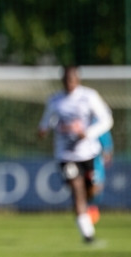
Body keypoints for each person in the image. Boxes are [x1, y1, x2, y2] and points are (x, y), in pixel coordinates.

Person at [38, 66, 113, 243]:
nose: (69, 83)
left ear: (77, 80)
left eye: (72, 79)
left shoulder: (89, 96)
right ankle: (88, 235)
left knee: (92, 190)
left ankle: (84, 213)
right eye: (66, 80)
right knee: (77, 191)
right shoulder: (55, 100)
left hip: (88, 154)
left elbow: (107, 120)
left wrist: (88, 133)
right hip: (66, 156)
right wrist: (43, 130)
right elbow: (46, 122)